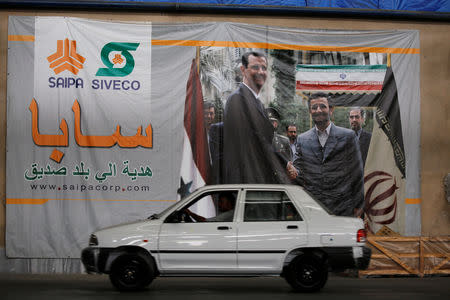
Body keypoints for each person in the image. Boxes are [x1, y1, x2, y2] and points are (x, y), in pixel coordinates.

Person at [289, 93, 364, 217]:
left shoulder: (348, 137)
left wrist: (358, 205)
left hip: (343, 208)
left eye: (323, 106)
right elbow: (299, 173)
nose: (318, 110)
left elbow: (357, 173)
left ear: (331, 110)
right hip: (313, 209)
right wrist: (293, 171)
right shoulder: (302, 139)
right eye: (314, 107)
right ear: (310, 111)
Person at [222, 51, 289, 184]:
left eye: (264, 68)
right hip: (244, 181)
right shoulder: (237, 100)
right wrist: (285, 164)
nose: (261, 71)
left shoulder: (256, 102)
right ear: (243, 70)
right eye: (255, 67)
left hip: (257, 179)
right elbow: (256, 142)